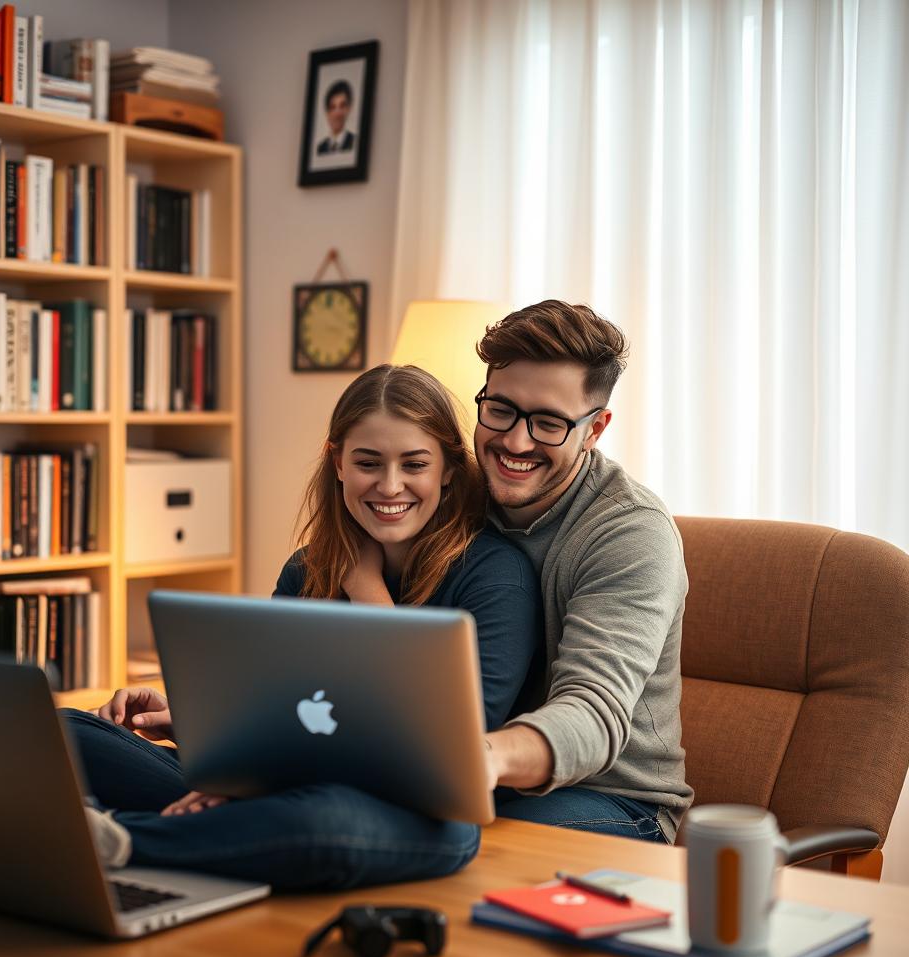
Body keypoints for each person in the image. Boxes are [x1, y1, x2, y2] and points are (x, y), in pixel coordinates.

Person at [66, 364, 540, 890]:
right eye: (367, 462)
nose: (389, 485)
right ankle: (217, 835)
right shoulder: (306, 568)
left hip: (400, 807)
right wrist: (199, 727)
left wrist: (364, 588)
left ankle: (124, 840)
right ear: (336, 462)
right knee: (68, 730)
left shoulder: (496, 577)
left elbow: (445, 748)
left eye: (414, 464)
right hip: (279, 788)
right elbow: (278, 708)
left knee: (356, 826)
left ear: (449, 469)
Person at [478, 300, 694, 844]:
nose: (515, 441)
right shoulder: (457, 493)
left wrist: (481, 757)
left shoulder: (631, 533)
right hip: (478, 777)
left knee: (454, 848)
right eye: (500, 410)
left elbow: (593, 713)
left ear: (595, 428)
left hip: (616, 801)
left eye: (548, 423)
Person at [315, 79, 356, 155]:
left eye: (342, 106)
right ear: (327, 113)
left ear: (348, 109)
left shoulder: (355, 142)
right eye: (333, 107)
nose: (337, 113)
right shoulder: (320, 148)